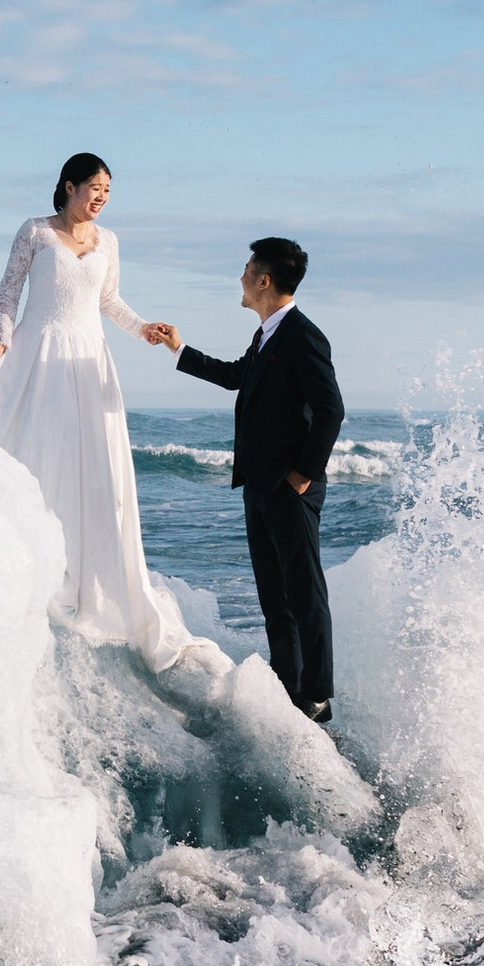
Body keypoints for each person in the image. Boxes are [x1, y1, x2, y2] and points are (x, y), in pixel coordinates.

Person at [0, 154, 211, 671]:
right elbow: (8, 293)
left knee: (95, 470)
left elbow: (109, 300)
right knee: (41, 458)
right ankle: (35, 569)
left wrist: (143, 327)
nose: (101, 197)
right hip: (40, 354)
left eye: (108, 189)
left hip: (88, 361)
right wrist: (1, 341)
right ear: (69, 186)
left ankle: (90, 578)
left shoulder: (110, 241)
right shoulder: (35, 232)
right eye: (94, 187)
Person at [153, 238, 343, 723]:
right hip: (260, 484)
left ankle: (317, 696)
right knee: (274, 596)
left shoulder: (302, 335)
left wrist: (303, 474)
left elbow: (331, 410)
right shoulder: (266, 335)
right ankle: (287, 687)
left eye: (246, 269)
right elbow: (237, 375)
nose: (240, 277)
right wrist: (179, 349)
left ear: (263, 280)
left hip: (290, 486)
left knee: (304, 592)